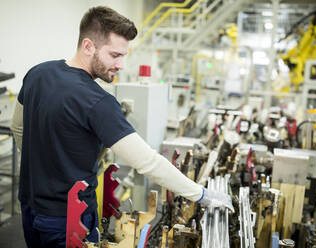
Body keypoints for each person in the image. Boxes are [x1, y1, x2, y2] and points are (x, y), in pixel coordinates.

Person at [10, 6, 233, 248]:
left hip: (30, 208)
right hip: (69, 220)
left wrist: (43, 168)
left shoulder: (37, 74)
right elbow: (148, 162)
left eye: (124, 55)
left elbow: (18, 129)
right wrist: (202, 195)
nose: (121, 64)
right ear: (88, 46)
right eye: (115, 55)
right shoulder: (97, 101)